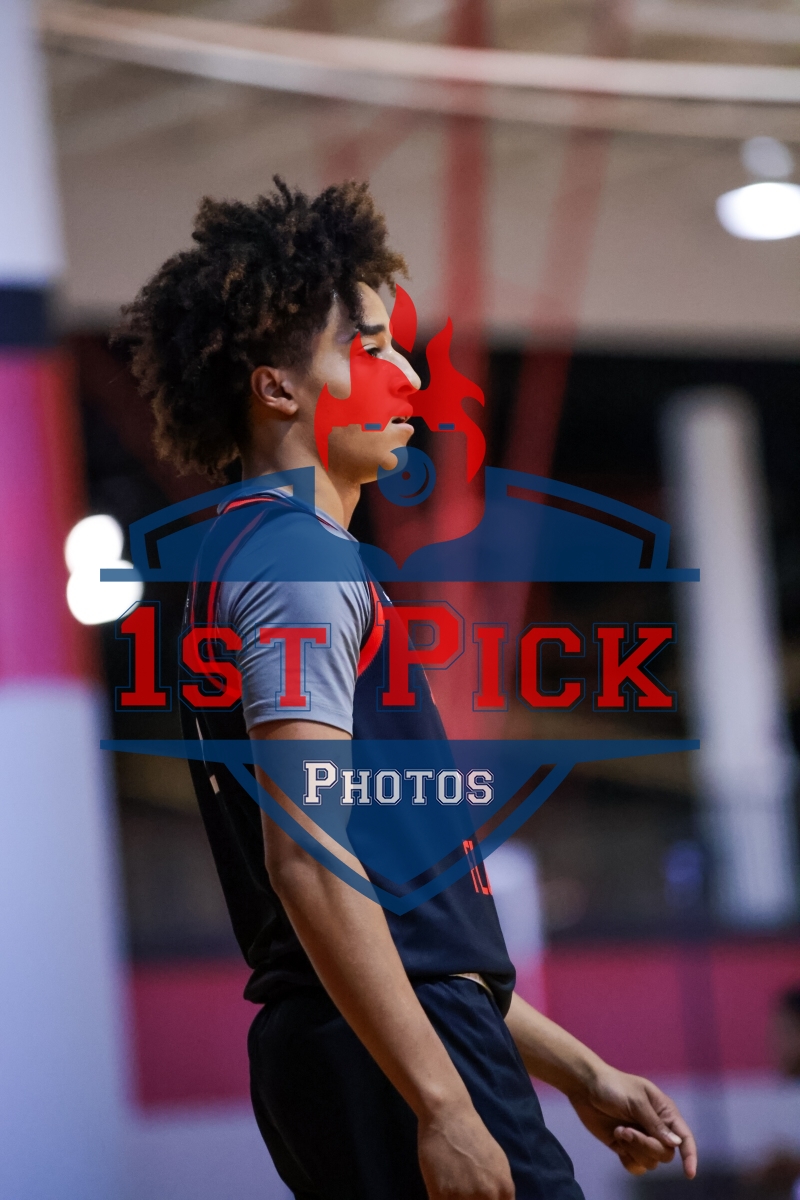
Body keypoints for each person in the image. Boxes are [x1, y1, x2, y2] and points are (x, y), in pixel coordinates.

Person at [117, 177, 698, 1200]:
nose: (407, 374)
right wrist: (442, 1105)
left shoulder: (258, 555)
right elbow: (308, 863)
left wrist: (578, 1070)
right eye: (371, 347)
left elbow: (410, 928)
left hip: (384, 1036)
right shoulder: (296, 560)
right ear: (277, 389)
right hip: (394, 1054)